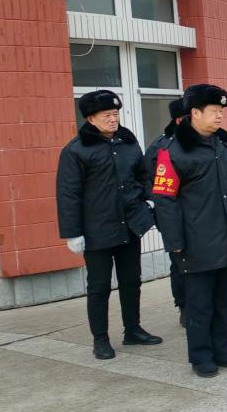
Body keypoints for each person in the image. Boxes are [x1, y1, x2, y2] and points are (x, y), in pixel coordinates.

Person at [152, 84, 227, 378]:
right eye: (213, 111)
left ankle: (222, 350)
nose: (220, 116)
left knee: (224, 301)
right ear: (195, 113)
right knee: (199, 304)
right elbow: (165, 200)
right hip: (196, 242)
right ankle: (201, 355)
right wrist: (175, 241)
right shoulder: (174, 151)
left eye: (221, 111)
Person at [56, 89, 162, 360]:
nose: (113, 119)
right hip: (97, 231)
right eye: (107, 115)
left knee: (131, 281)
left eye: (115, 114)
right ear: (90, 118)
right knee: (99, 287)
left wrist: (148, 201)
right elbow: (68, 194)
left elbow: (143, 175)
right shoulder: (76, 150)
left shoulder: (128, 142)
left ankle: (133, 330)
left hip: (130, 225)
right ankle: (100, 339)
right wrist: (72, 233)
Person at [143, 97, 189, 325]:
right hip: (173, 216)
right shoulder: (161, 147)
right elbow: (150, 183)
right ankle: (184, 306)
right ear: (180, 120)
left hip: (200, 216)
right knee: (180, 264)